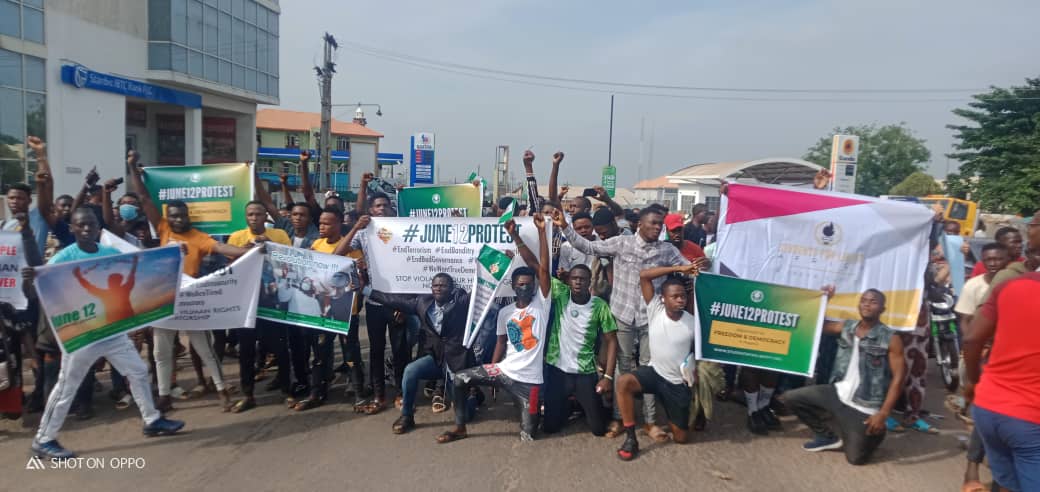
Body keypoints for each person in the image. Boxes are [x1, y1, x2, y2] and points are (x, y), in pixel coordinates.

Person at [24, 207, 184, 459]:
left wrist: (174, 255)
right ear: (72, 228)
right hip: (83, 335)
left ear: (99, 228)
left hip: (112, 331)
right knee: (67, 387)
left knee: (139, 371)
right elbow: (37, 290)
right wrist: (30, 278)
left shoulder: (109, 253)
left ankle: (152, 420)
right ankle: (44, 439)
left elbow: (140, 266)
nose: (86, 229)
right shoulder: (63, 258)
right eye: (81, 225)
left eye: (91, 224)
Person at [554, 206, 690, 441]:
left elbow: (690, 269)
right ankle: (619, 418)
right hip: (623, 314)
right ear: (640, 224)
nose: (658, 228)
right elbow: (587, 246)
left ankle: (649, 422)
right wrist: (565, 227)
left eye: (661, 224)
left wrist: (701, 266)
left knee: (651, 367)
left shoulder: (667, 250)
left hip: (652, 319)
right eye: (654, 223)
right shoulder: (621, 243)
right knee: (621, 367)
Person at [127, 150, 248, 412]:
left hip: (190, 298)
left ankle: (221, 390)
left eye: (182, 216)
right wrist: (132, 169)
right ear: (167, 217)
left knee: (203, 348)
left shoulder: (198, 237)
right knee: (161, 352)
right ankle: (164, 396)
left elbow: (223, 249)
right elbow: (144, 197)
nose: (178, 219)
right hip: (162, 296)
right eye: (173, 216)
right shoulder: (163, 228)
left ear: (188, 216)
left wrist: (249, 251)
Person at [436, 214, 551, 444]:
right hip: (505, 372)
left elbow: (543, 270)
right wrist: (494, 367)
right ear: (514, 287)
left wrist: (531, 233)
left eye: (529, 285)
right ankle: (460, 427)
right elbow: (500, 342)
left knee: (528, 436)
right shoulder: (505, 313)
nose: (525, 289)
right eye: (520, 285)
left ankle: (534, 412)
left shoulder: (542, 304)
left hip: (530, 383)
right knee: (460, 379)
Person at [782, 289, 906, 466]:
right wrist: (825, 300)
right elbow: (818, 325)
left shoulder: (891, 338)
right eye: (864, 300)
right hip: (838, 392)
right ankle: (826, 436)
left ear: (882, 309)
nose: (867, 304)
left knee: (856, 459)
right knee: (790, 398)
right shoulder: (848, 326)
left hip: (864, 405)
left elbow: (899, 378)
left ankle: (876, 433)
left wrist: (883, 413)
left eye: (873, 301)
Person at [963, 211, 1040, 492]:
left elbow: (972, 340)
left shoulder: (1010, 286)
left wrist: (972, 383)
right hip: (1030, 419)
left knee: (1005, 485)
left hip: (989, 408)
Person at [358, 272, 472, 434]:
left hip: (456, 361)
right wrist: (366, 291)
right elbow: (393, 300)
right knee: (411, 370)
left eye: (443, 285)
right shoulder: (422, 303)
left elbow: (482, 289)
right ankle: (407, 416)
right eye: (435, 285)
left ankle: (473, 399)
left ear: (452, 289)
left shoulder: (461, 303)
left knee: (465, 415)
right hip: (436, 359)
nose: (438, 288)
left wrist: (501, 265)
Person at [614, 263, 703, 460]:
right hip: (654, 374)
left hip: (677, 383)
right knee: (623, 382)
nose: (680, 300)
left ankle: (689, 412)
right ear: (663, 298)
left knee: (680, 437)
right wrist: (681, 268)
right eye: (675, 296)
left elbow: (700, 353)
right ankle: (630, 438)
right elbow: (644, 275)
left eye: (683, 296)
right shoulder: (655, 309)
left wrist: (695, 374)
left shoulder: (692, 322)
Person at [335, 187, 406, 415]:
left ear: (391, 208)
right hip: (374, 302)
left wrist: (405, 303)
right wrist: (356, 226)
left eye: (385, 205)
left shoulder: (402, 231)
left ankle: (402, 393)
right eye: (377, 206)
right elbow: (338, 253)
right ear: (370, 210)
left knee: (400, 351)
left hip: (397, 302)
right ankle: (379, 395)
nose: (382, 208)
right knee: (376, 350)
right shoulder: (363, 233)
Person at [953, 242, 1011, 492]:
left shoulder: (1017, 284)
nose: (994, 263)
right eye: (989, 259)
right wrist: (973, 350)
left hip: (1012, 355)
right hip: (987, 357)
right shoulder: (975, 286)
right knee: (985, 412)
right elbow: (966, 323)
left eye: (999, 258)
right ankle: (973, 467)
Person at [225, 201, 292, 413]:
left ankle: (287, 390)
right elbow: (228, 269)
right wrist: (241, 252)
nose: (254, 218)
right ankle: (248, 394)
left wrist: (270, 244)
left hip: (272, 300)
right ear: (246, 217)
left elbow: (290, 263)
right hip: (246, 302)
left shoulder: (279, 235)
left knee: (280, 348)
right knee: (246, 350)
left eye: (258, 214)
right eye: (250, 214)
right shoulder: (236, 238)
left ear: (266, 217)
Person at [542, 262, 619, 437]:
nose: (578, 282)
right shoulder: (561, 295)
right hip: (558, 372)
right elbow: (540, 269)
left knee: (599, 430)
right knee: (550, 427)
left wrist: (607, 377)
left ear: (589, 282)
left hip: (585, 373)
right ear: (568, 281)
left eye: (582, 279)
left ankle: (588, 404)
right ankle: (570, 404)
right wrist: (520, 242)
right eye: (574, 278)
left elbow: (612, 341)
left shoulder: (599, 306)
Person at [72, 255, 138, 324]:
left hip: (118, 322)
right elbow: (131, 275)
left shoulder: (106, 294)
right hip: (125, 320)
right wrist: (135, 263)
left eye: (110, 281)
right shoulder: (125, 289)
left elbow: (89, 287)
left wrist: (79, 277)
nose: (109, 282)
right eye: (109, 280)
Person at [556, 212, 597, 278]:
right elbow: (563, 269)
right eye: (579, 228)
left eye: (587, 227)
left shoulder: (601, 244)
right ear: (574, 229)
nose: (583, 230)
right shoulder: (566, 247)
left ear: (593, 227)